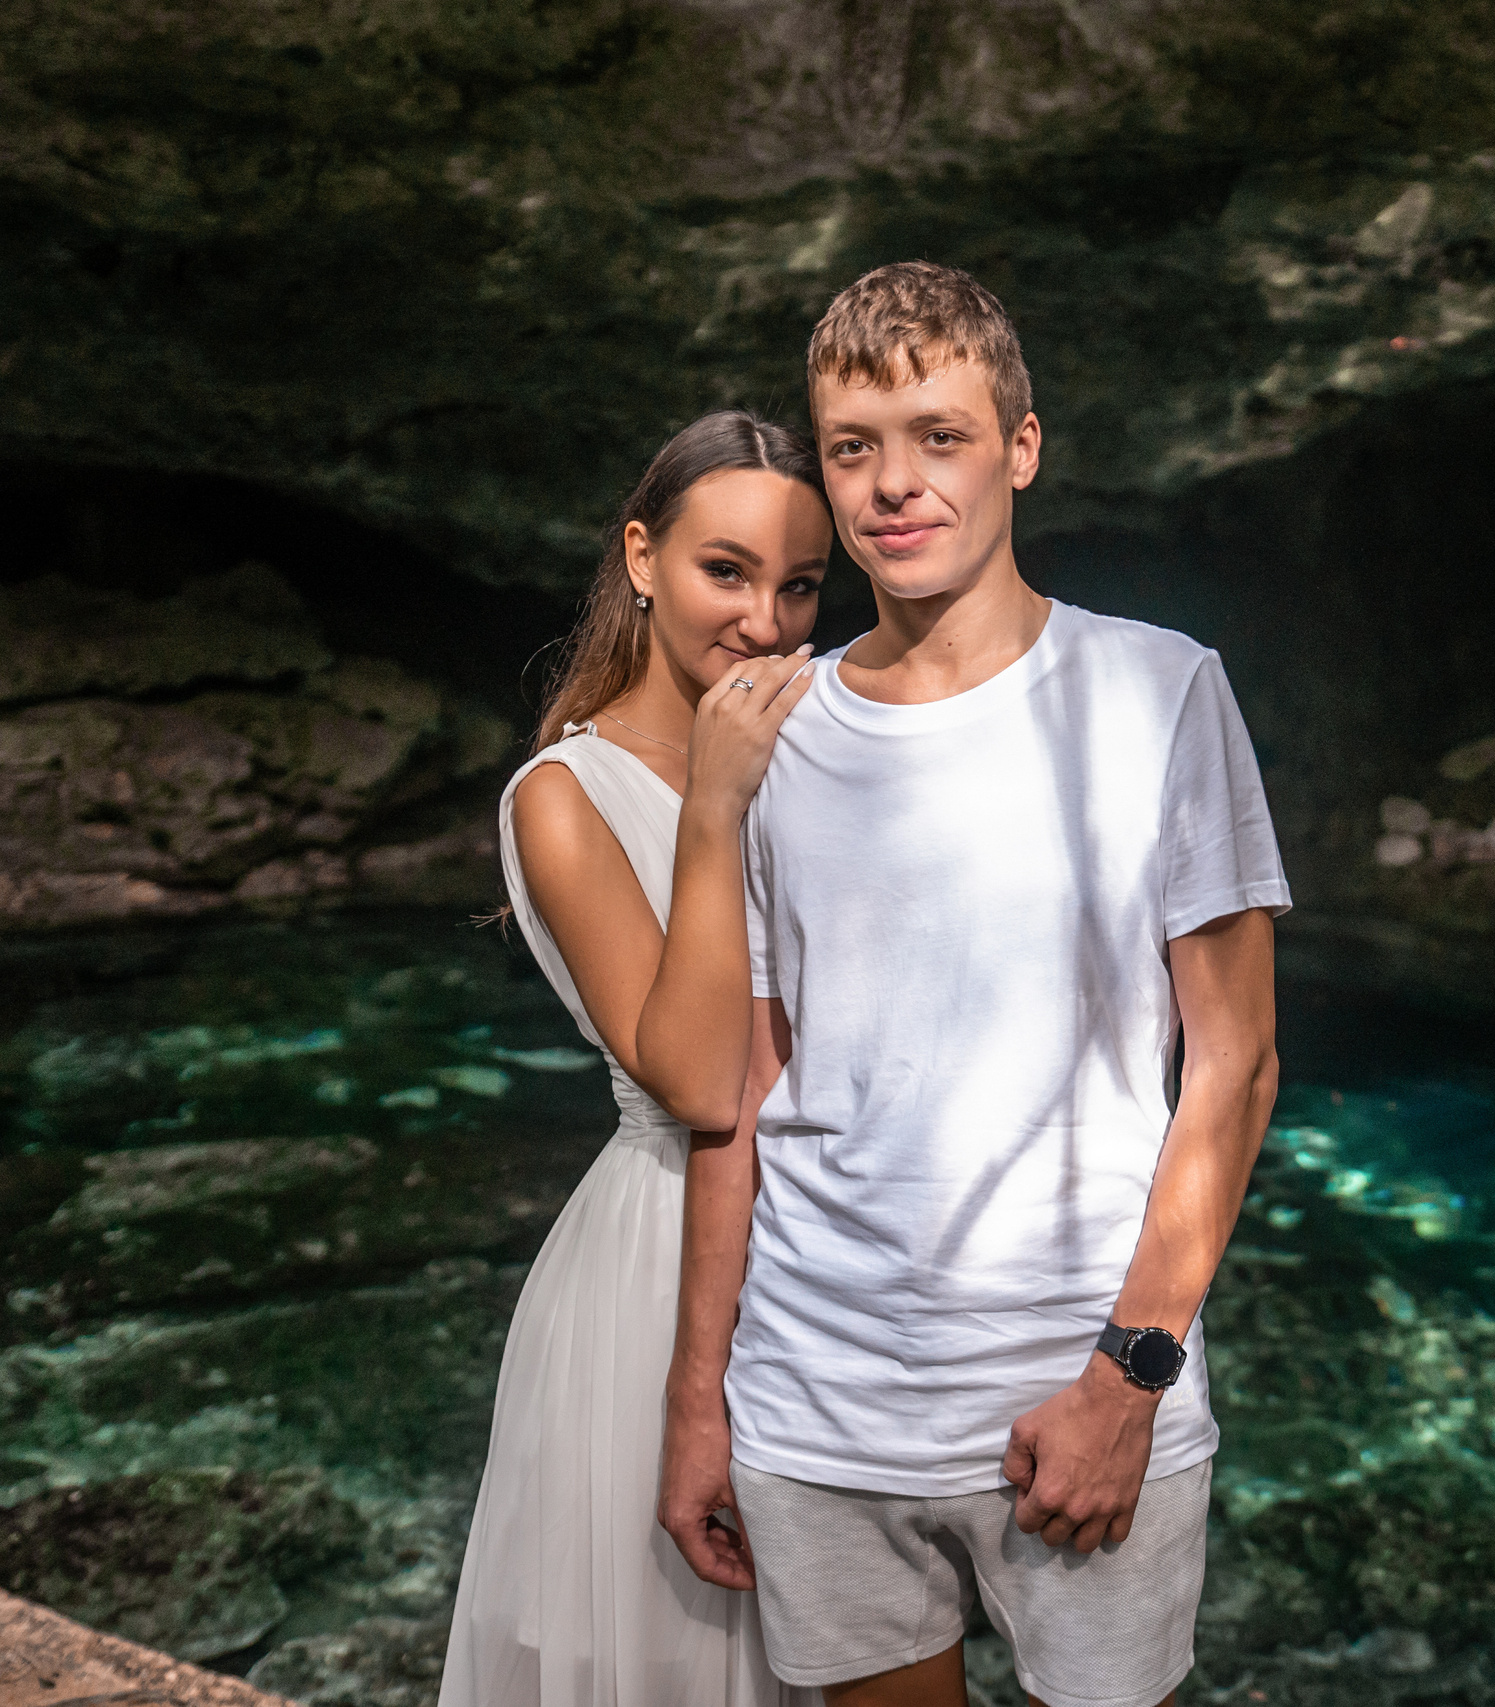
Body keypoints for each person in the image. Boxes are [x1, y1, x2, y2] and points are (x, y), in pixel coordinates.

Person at [659, 263, 1288, 1707]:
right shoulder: (771, 728)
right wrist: (704, 1407)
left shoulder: (1160, 690)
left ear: (1019, 447)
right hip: (818, 1413)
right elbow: (737, 1103)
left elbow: (1235, 1065)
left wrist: (1127, 1381)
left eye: (939, 436)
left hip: (1075, 1399)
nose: (894, 486)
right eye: (854, 447)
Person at [439, 410, 831, 1707]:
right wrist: (716, 803)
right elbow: (698, 1079)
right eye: (728, 571)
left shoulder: (824, 748)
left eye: (800, 586)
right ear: (644, 557)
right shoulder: (563, 796)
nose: (766, 624)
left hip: (833, 1250)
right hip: (652, 1271)